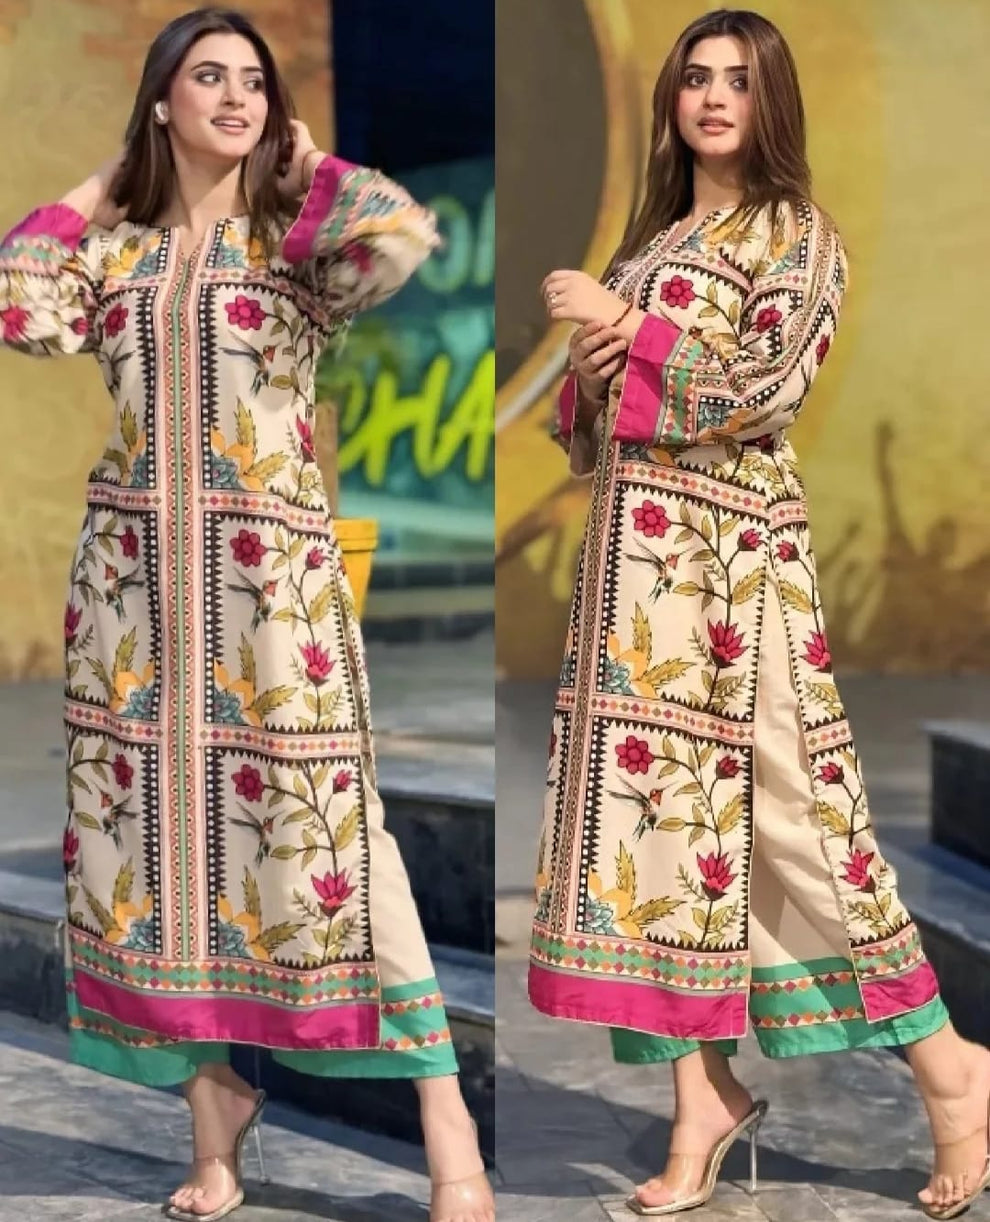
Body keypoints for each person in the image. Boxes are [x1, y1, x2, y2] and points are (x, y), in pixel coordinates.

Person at [0, 9, 494, 1222]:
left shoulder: (295, 250)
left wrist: (305, 162)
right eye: (207, 77)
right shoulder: (116, 261)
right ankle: (213, 1115)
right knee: (150, 852)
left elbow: (402, 234)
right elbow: (16, 303)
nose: (234, 96)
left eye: (254, 82)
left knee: (335, 845)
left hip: (273, 595)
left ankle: (447, 1124)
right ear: (161, 101)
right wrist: (105, 184)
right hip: (132, 602)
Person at [528, 8, 988, 1218]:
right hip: (635, 586)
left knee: (803, 825)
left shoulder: (799, 236)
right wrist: (588, 379)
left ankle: (953, 1071)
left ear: (772, 100)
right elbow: (592, 435)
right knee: (654, 841)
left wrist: (626, 329)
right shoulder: (651, 243)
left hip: (737, 577)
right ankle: (703, 1099)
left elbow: (764, 390)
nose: (715, 96)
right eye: (696, 77)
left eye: (740, 78)